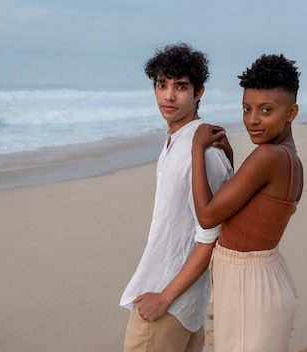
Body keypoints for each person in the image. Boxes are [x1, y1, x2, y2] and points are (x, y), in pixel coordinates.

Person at [119, 43, 233, 352]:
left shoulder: (202, 151)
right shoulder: (180, 141)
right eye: (161, 85)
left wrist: (164, 298)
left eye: (180, 86)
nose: (168, 95)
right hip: (184, 305)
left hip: (166, 302)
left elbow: (209, 235)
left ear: (199, 92)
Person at [191, 53, 303, 351]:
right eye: (246, 108)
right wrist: (230, 159)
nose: (253, 119)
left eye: (266, 110)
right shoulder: (287, 156)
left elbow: (207, 216)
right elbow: (254, 206)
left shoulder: (267, 156)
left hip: (249, 285)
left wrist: (195, 149)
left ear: (291, 112)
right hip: (267, 276)